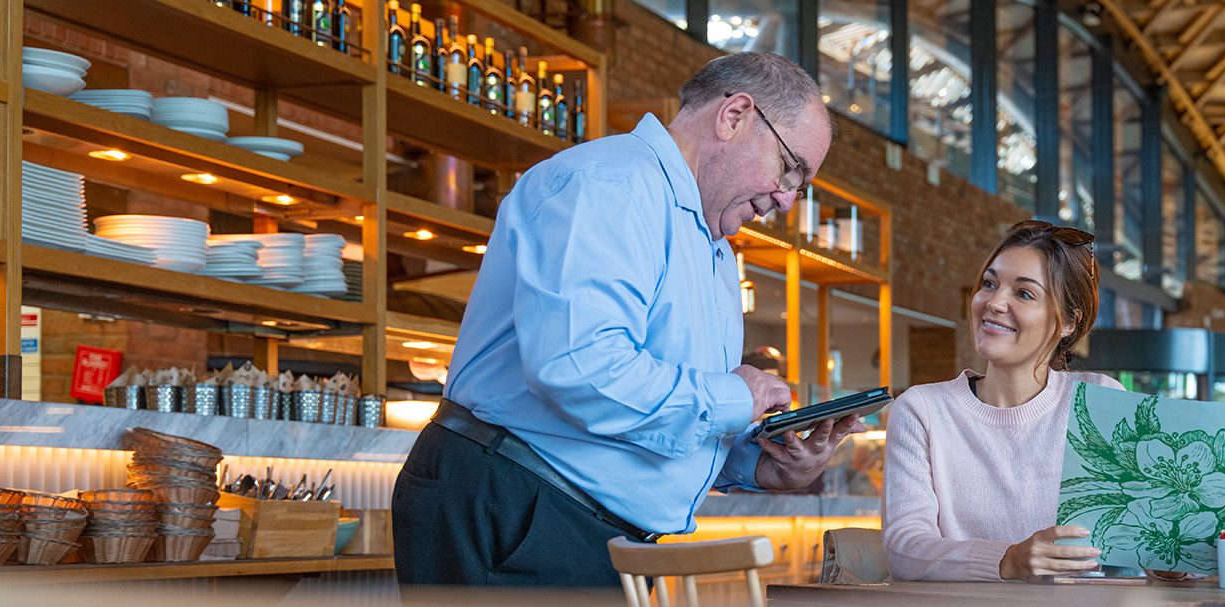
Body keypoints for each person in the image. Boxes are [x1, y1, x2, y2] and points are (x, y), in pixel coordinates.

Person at [392, 52, 863, 586]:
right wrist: (735, 397)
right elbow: (579, 368)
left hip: (578, 527)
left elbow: (648, 413)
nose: (786, 200)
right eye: (789, 169)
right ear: (734, 116)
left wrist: (754, 465)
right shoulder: (609, 186)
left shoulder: (714, 248)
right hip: (517, 505)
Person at [883, 220, 1124, 582]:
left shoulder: (1099, 400)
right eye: (989, 284)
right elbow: (905, 549)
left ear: (1068, 323)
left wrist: (1174, 563)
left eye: (1024, 294)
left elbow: (1135, 535)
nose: (993, 302)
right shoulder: (923, 410)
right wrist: (1007, 561)